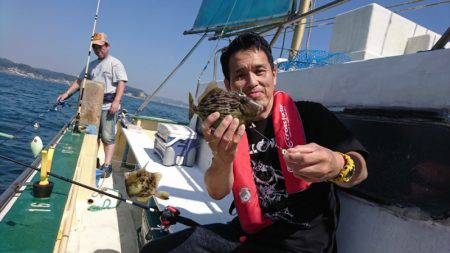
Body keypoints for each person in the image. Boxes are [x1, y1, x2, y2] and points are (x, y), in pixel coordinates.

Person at [141, 33, 368, 253]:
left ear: (274, 74)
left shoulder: (310, 114)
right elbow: (217, 191)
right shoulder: (229, 126)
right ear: (229, 85)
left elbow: (361, 170)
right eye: (240, 75)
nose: (252, 82)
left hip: (300, 245)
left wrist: (337, 164)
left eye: (260, 71)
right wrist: (223, 158)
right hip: (245, 234)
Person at [57, 32, 127, 178]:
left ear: (107, 46)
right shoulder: (91, 65)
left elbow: (122, 82)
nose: (98, 50)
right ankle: (91, 160)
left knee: (107, 137)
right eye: (95, 47)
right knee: (91, 135)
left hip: (109, 107)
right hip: (92, 107)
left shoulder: (116, 63)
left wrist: (116, 102)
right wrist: (66, 94)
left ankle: (107, 166)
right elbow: (79, 81)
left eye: (100, 46)